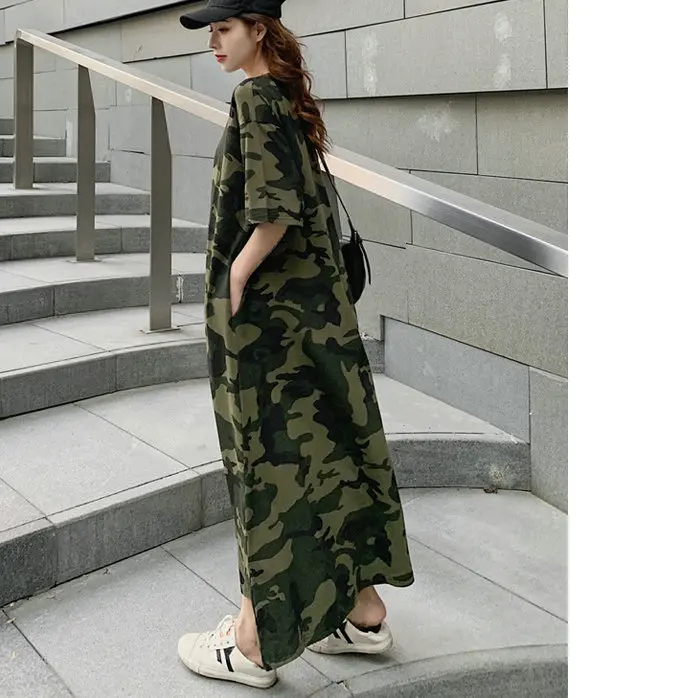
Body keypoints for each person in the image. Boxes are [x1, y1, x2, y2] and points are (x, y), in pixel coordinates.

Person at [175, 0, 415, 690]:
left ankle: (252, 643)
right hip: (316, 322)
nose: (213, 42)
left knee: (268, 468)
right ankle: (361, 613)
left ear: (259, 28)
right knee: (330, 454)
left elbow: (273, 211)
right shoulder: (284, 95)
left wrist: (236, 276)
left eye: (223, 28)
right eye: (210, 31)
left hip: (271, 329)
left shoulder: (255, 97)